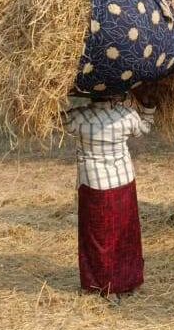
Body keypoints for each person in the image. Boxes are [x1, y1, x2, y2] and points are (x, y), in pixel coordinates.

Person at [64, 95, 156, 297]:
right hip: (123, 181)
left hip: (93, 183)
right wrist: (149, 107)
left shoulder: (78, 117)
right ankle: (127, 283)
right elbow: (144, 129)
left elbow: (52, 121)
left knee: (97, 237)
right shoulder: (127, 115)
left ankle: (101, 285)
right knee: (126, 234)